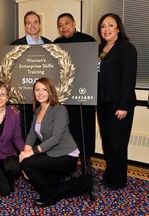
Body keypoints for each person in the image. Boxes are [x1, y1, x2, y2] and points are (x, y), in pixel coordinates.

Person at [19, 77, 98, 207]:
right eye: (37, 89)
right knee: (47, 183)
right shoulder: (38, 110)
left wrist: (30, 153)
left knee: (29, 164)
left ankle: (50, 197)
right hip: (51, 153)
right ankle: (86, 182)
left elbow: (56, 138)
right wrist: (24, 153)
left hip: (66, 156)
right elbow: (32, 134)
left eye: (44, 89)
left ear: (51, 92)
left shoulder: (59, 110)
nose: (40, 93)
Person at [97, 13, 137, 190]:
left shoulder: (126, 48)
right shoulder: (101, 49)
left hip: (119, 105)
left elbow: (128, 79)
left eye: (110, 25)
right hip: (103, 102)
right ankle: (109, 175)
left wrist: (123, 106)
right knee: (107, 142)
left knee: (118, 143)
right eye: (103, 26)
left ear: (118, 28)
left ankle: (118, 180)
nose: (106, 29)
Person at [53, 13, 96, 175]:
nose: (64, 27)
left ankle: (86, 161)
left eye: (67, 23)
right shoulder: (56, 44)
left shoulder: (88, 41)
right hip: (64, 97)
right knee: (65, 130)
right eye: (60, 25)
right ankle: (67, 164)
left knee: (84, 129)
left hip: (84, 95)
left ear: (74, 23)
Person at [10, 11, 52, 141]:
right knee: (24, 134)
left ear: (39, 24)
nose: (32, 25)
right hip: (23, 101)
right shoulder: (14, 46)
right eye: (29, 23)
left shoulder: (50, 44)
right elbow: (9, 74)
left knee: (45, 132)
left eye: (35, 22)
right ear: (25, 26)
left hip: (44, 99)